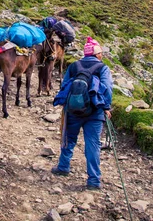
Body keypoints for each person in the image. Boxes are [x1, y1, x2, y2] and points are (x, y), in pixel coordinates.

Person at [51, 36, 113, 190]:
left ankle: (63, 166)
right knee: (93, 144)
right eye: (100, 53)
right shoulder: (102, 68)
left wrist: (65, 103)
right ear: (97, 54)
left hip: (73, 110)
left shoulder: (74, 66)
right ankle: (93, 180)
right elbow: (107, 88)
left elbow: (65, 85)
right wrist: (106, 107)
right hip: (95, 112)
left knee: (69, 138)